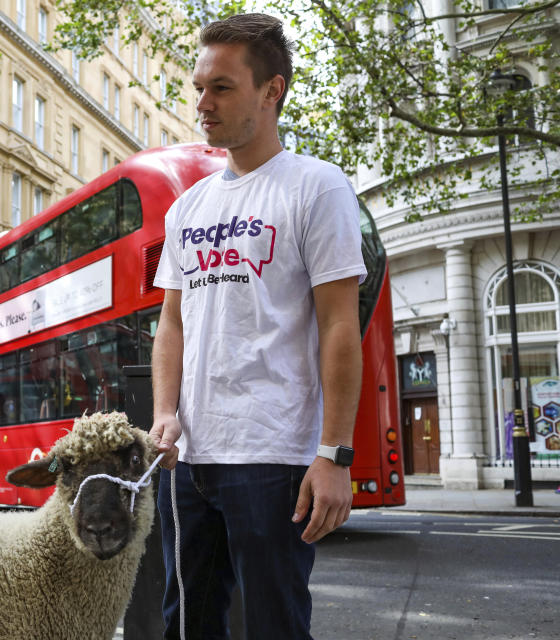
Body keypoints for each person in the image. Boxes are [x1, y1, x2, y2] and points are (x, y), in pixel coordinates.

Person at [149, 13, 366, 639]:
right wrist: (166, 411)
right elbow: (172, 323)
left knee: (276, 627)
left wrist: (334, 456)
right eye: (199, 87)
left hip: (274, 457)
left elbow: (338, 327)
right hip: (188, 459)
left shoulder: (317, 187)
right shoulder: (188, 207)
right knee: (186, 626)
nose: (201, 104)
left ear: (272, 91)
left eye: (221, 87)